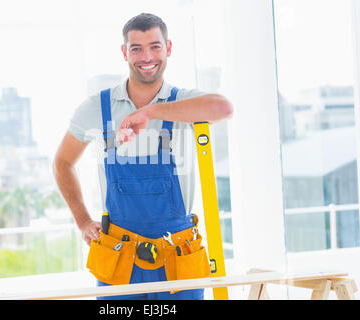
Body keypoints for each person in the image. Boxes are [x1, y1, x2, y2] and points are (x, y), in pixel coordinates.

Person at [53, 13, 233, 300]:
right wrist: (82, 220)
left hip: (177, 254)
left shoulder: (184, 101)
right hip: (118, 257)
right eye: (136, 48)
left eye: (155, 46)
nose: (146, 56)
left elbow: (223, 108)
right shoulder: (97, 107)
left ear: (168, 48)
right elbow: (63, 163)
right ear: (125, 52)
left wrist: (150, 111)